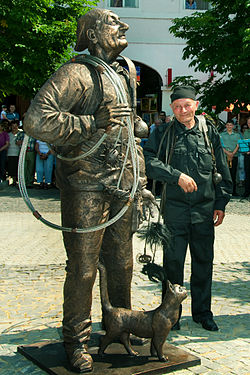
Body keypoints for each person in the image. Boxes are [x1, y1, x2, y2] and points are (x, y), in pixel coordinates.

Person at [23, 8, 153, 373]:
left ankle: (120, 328)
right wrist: (88, 123)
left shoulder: (125, 71)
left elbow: (127, 130)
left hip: (121, 184)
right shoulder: (76, 73)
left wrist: (139, 179)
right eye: (113, 22)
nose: (123, 25)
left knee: (122, 264)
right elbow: (36, 120)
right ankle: (76, 341)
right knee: (82, 268)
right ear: (93, 35)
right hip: (86, 184)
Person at [144, 85, 232, 332]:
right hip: (174, 211)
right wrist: (175, 176)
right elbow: (148, 161)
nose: (182, 110)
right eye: (177, 107)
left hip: (204, 212)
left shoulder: (209, 133)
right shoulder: (162, 133)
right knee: (173, 264)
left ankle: (203, 313)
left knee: (204, 262)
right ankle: (171, 315)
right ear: (171, 109)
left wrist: (221, 203)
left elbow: (222, 170)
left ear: (195, 105)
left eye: (187, 105)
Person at [220, 121, 241, 196]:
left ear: (233, 126)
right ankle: (225, 190)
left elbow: (238, 145)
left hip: (234, 156)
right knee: (225, 173)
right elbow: (220, 146)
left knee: (233, 173)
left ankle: (233, 191)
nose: (229, 126)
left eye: (231, 125)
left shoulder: (237, 135)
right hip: (225, 156)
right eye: (228, 125)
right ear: (226, 126)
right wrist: (228, 153)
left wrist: (232, 154)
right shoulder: (221, 135)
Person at [7, 120, 20, 186]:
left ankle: (18, 181)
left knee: (17, 168)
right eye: (13, 126)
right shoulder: (8, 134)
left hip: (18, 153)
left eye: (15, 126)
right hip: (10, 153)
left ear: (18, 126)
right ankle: (12, 181)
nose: (14, 127)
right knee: (11, 168)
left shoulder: (21, 133)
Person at [242, 117, 250, 198]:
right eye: (248, 123)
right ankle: (247, 191)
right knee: (247, 173)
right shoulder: (246, 132)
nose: (249, 125)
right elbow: (244, 143)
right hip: (247, 155)